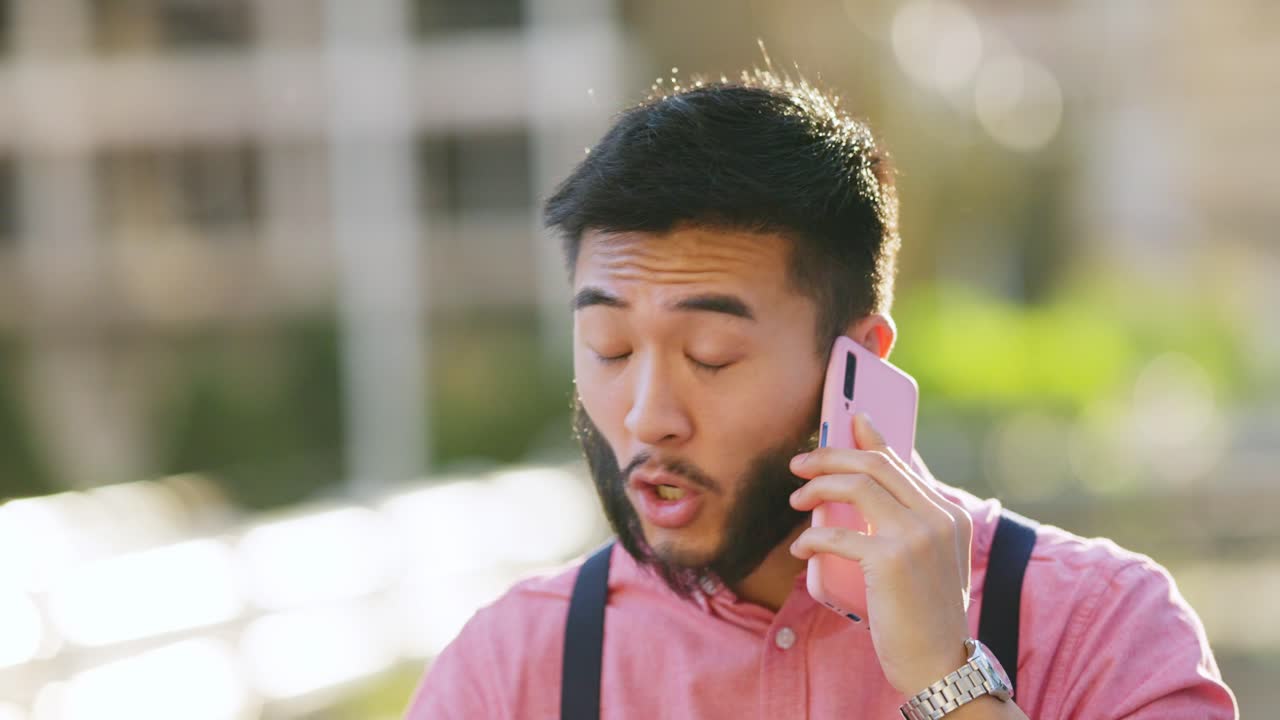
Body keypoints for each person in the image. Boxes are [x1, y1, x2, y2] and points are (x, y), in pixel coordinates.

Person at [405, 71, 1237, 719]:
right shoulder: (513, 669)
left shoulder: (1100, 626)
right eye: (609, 349)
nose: (648, 415)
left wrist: (949, 684)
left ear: (859, 363)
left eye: (712, 354)